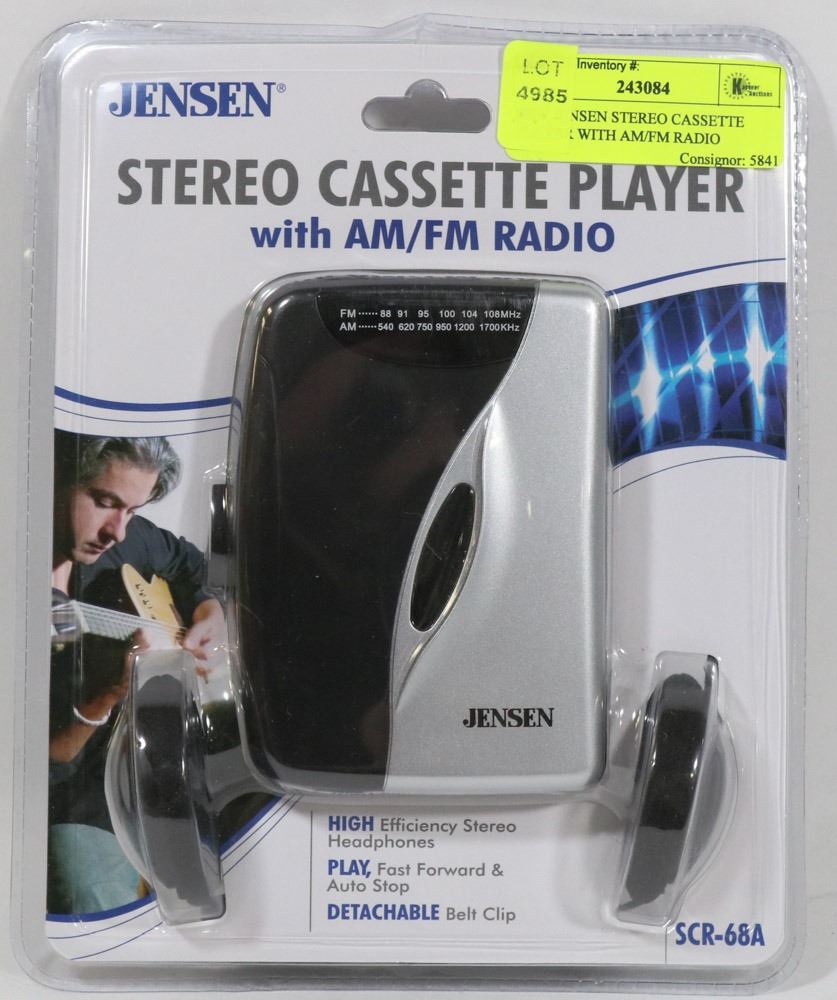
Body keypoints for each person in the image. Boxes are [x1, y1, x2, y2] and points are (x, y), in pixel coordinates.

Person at [48, 432, 225, 915]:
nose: (118, 532)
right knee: (94, 899)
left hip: (164, 763)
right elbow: (37, 769)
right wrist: (105, 695)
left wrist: (209, 613)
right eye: (105, 502)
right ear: (51, 476)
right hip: (75, 801)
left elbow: (191, 565)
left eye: (132, 510)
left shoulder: (120, 548)